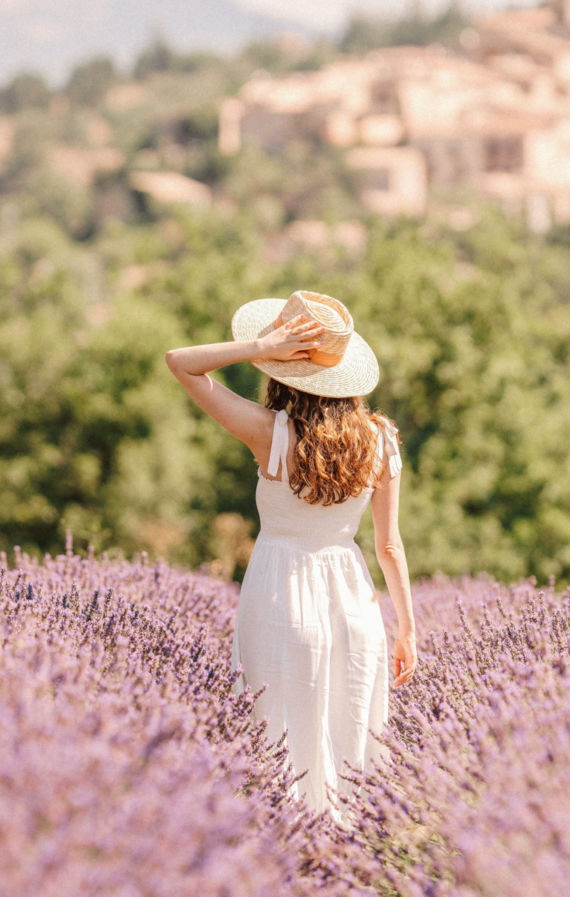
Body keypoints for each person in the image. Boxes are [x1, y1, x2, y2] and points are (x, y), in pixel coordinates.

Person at [165, 289, 417, 815]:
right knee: (351, 737)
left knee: (277, 733)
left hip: (280, 590)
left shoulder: (269, 433)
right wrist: (408, 631)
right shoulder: (382, 440)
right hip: (354, 602)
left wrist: (261, 345)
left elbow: (181, 364)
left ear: (283, 372)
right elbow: (390, 546)